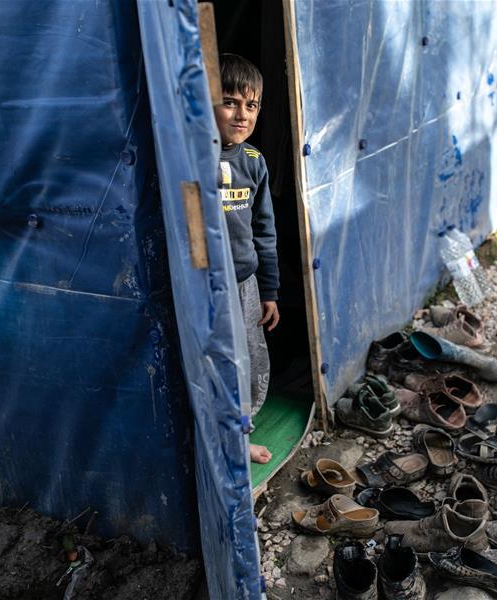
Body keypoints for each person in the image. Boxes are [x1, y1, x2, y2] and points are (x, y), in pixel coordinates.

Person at [213, 54, 279, 464]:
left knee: (250, 363)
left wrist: (269, 289)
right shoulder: (191, 160)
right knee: (220, 368)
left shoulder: (253, 163)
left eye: (251, 105)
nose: (242, 114)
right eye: (230, 102)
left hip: (246, 284)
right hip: (207, 288)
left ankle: (240, 433)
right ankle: (225, 442)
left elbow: (265, 231)